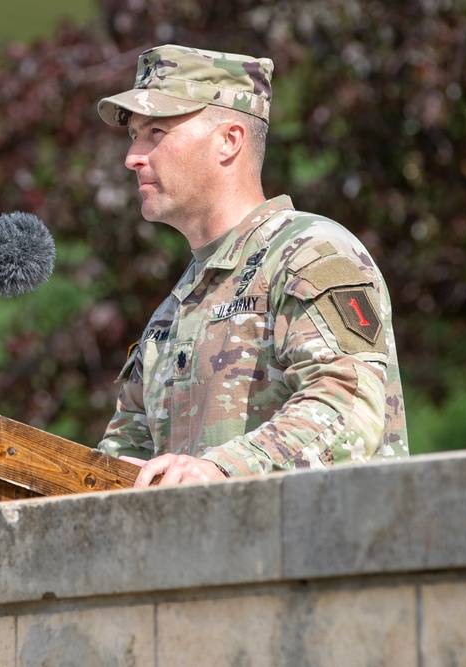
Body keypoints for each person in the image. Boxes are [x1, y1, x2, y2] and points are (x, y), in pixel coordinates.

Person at [95, 44, 408, 488]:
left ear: (229, 140)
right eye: (134, 137)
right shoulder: (173, 311)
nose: (133, 157)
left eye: (156, 134)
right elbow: (122, 462)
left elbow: (347, 407)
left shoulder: (310, 254)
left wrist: (222, 469)